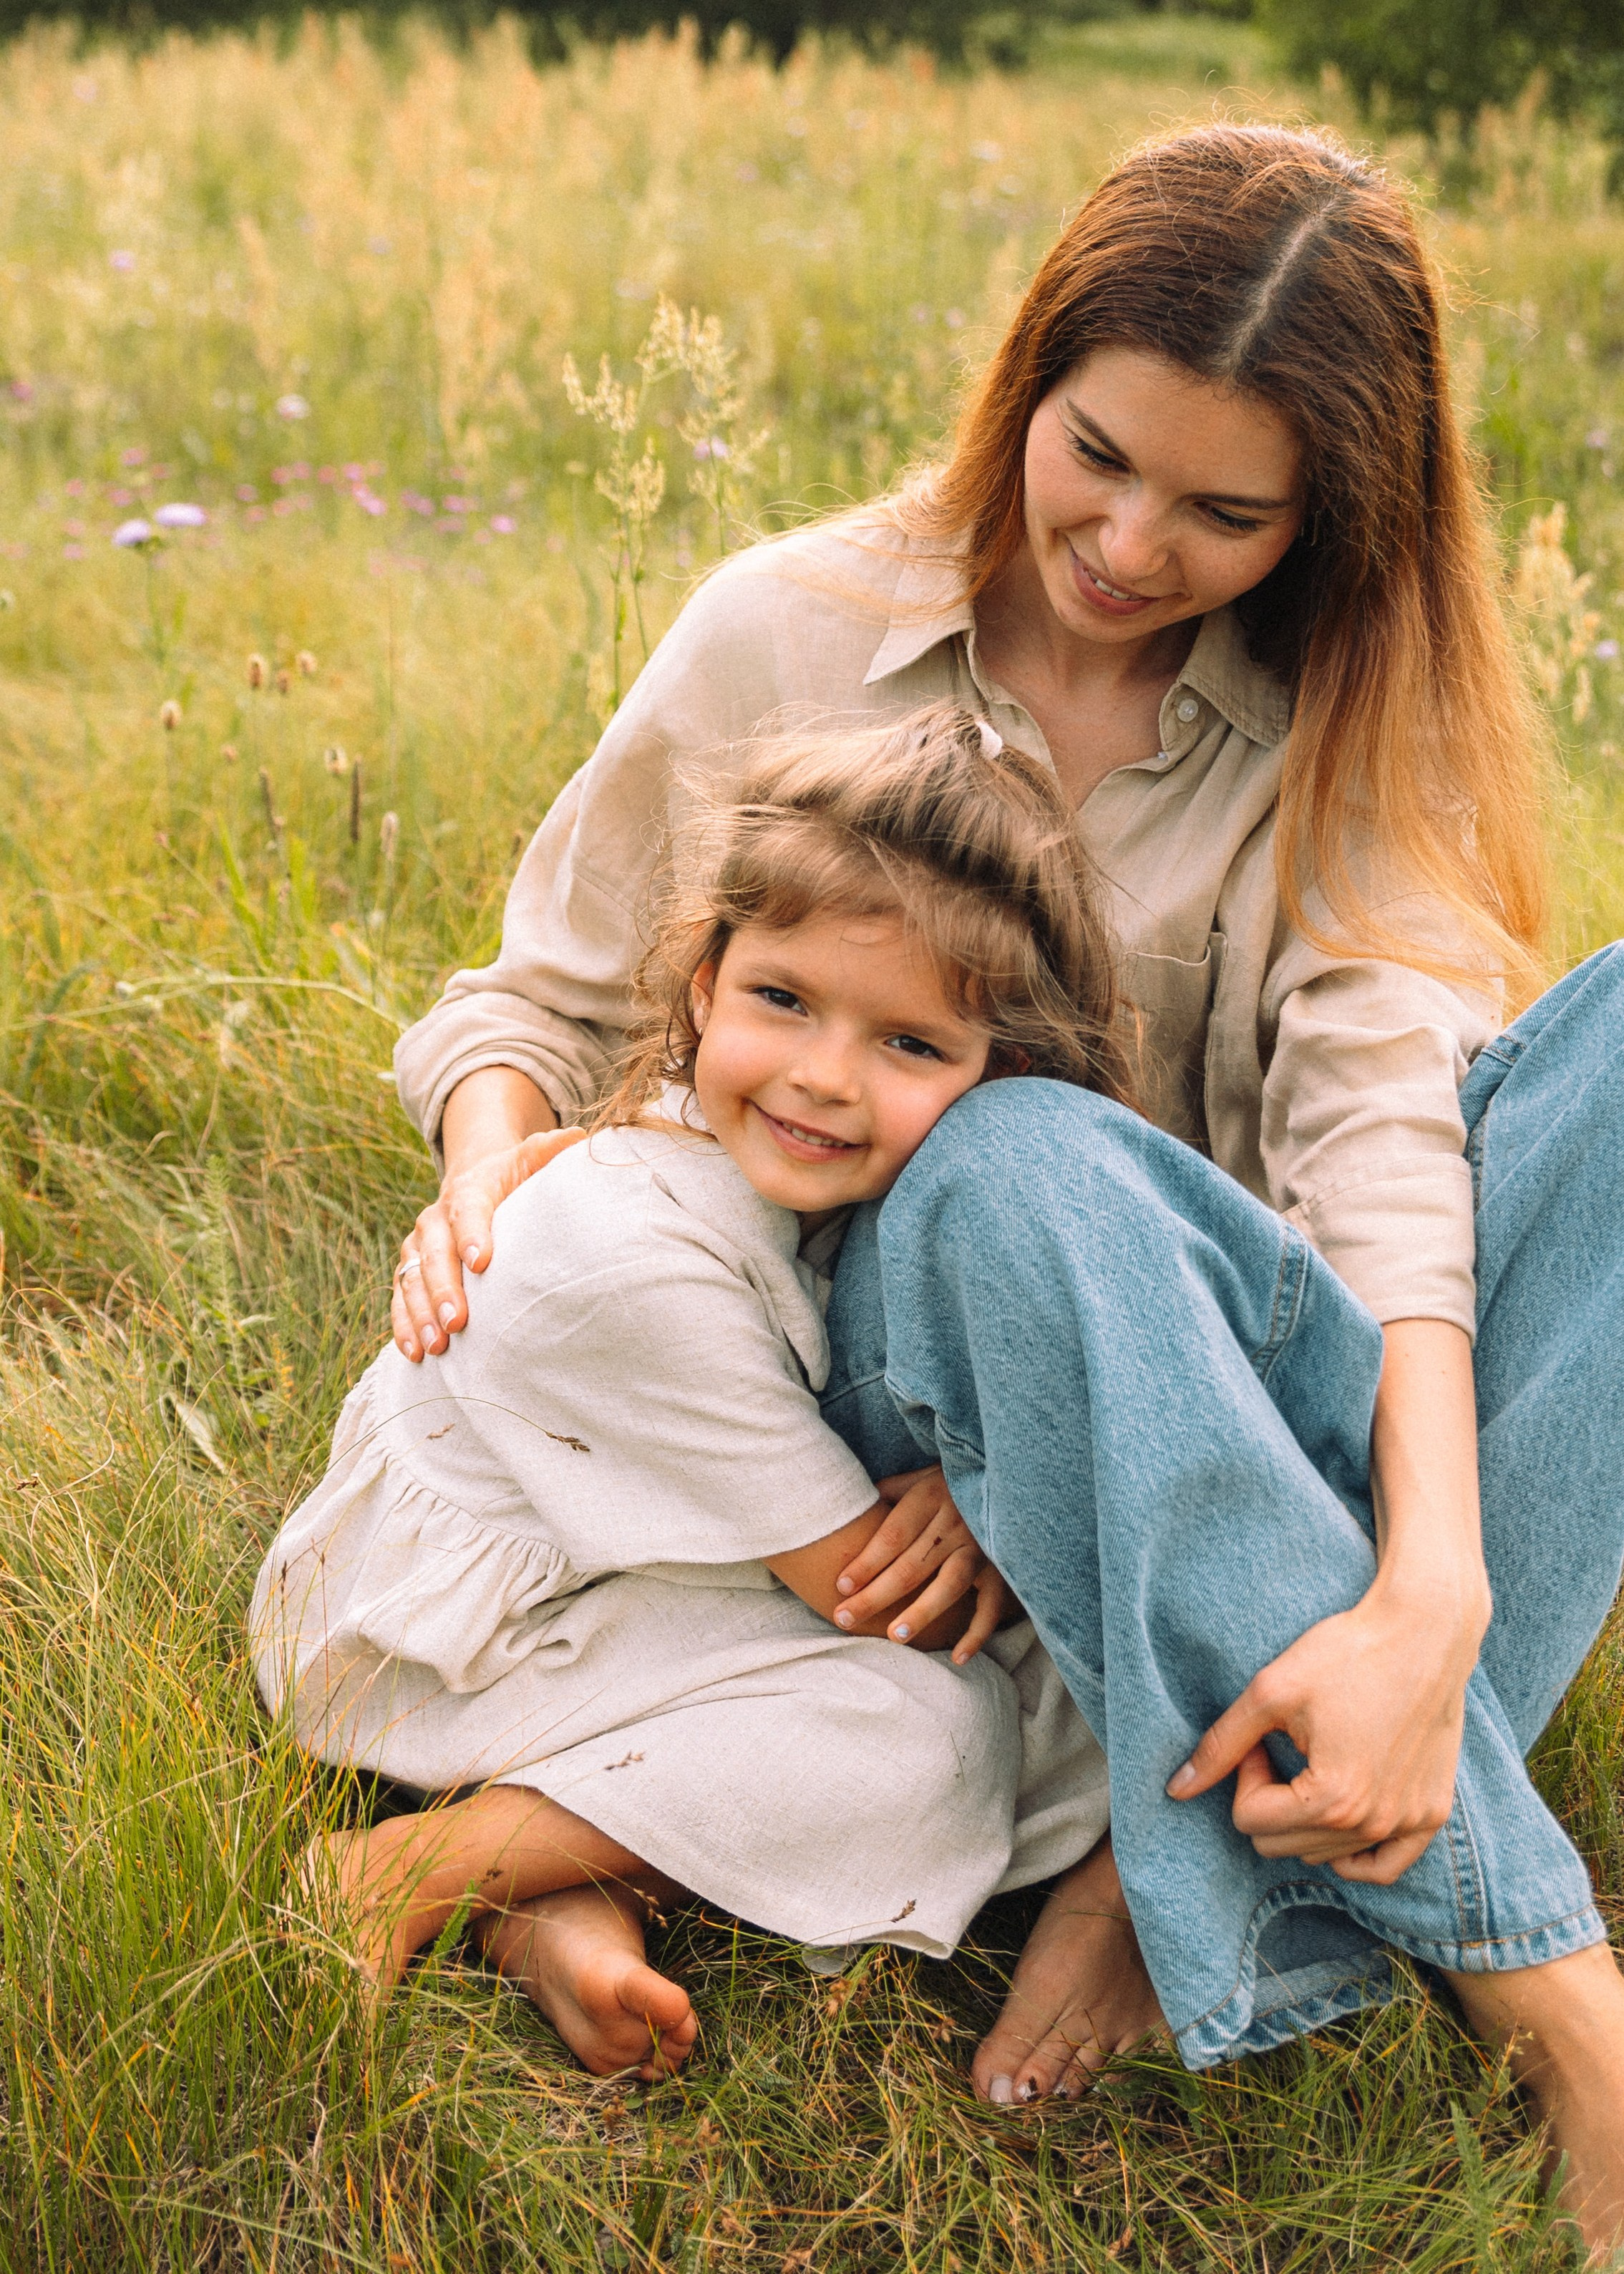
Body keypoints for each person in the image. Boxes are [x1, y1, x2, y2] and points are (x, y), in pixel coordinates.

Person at [384, 122, 1624, 2252]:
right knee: (1021, 1146)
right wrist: (489, 1179)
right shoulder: (785, 623)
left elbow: (1378, 1171)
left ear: (1332, 515)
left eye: (1224, 512)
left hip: (1208, 1362)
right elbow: (533, 993)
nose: (1130, 545)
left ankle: (1186, 1868)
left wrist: (1429, 1588)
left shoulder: (1349, 719)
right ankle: (1562, 2010)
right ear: (1026, 377)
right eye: (1094, 457)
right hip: (875, 1372)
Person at [256, 705, 1131, 2081]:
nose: (823, 1078)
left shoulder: (755, 1167)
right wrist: (995, 1518)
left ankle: (554, 1901)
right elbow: (866, 1595)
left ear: (995, 1080)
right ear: (704, 980)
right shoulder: (622, 1259)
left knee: (1008, 1706)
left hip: (605, 1586)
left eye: (908, 1044)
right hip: (425, 1647)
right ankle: (402, 1863)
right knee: (958, 1725)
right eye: (783, 999)